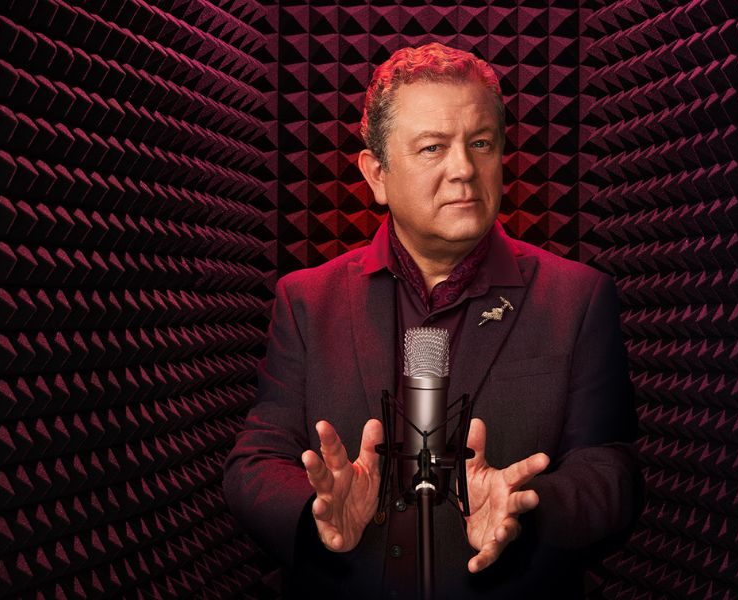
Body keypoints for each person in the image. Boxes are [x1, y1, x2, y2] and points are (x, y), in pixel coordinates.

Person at [223, 42, 639, 599]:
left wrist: (531, 508)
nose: (464, 169)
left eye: (481, 144)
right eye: (432, 148)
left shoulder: (579, 297)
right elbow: (256, 459)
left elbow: (611, 470)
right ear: (376, 174)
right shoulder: (306, 300)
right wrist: (315, 512)